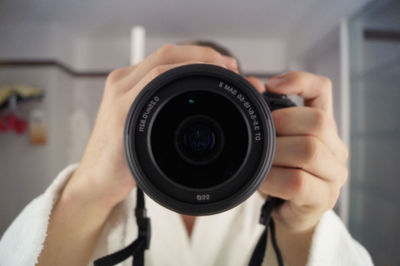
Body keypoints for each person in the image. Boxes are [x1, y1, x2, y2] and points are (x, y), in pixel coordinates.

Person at [0, 43, 374, 266]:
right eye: (174, 84)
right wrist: (88, 192)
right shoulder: (107, 191)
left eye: (220, 96)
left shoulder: (274, 190)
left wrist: (304, 227)